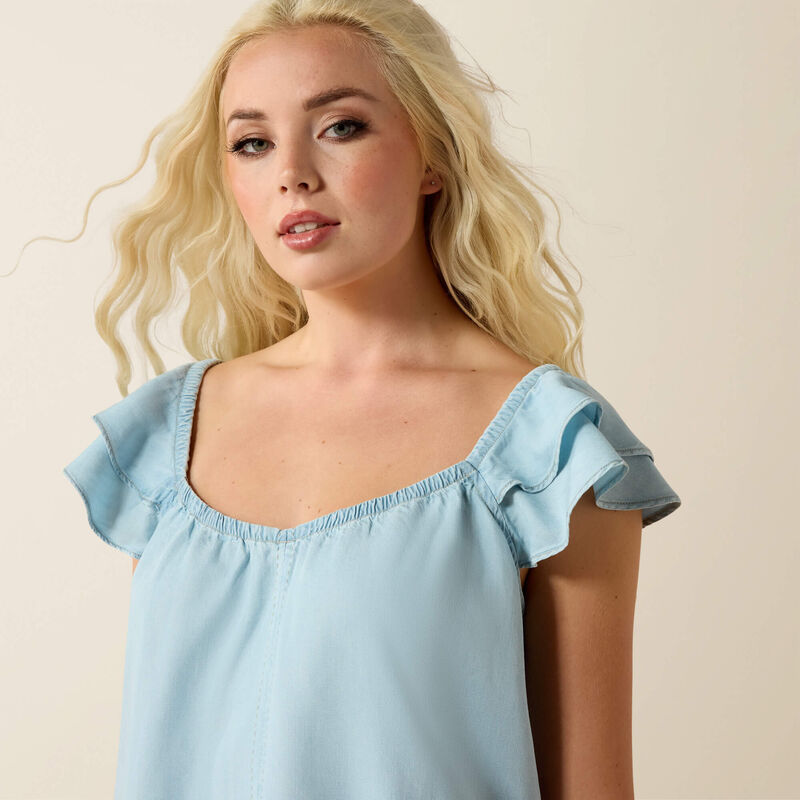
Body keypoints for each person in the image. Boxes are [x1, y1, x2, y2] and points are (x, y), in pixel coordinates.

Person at [60, 0, 681, 797]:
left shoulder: (549, 452)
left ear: (434, 156)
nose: (291, 172)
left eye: (341, 127)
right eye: (252, 143)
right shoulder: (168, 437)